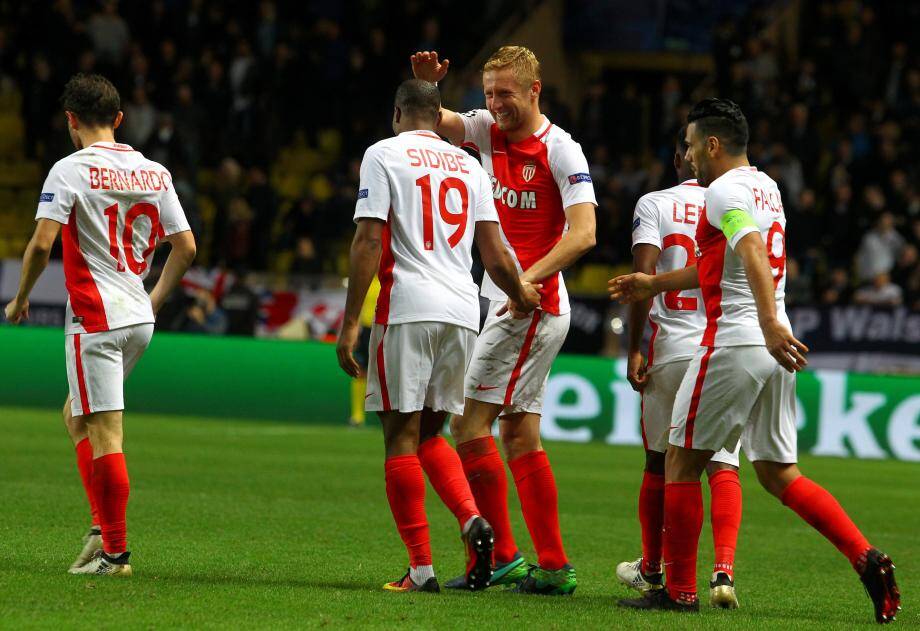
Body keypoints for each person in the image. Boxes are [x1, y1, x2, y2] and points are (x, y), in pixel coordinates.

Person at [610, 98, 900, 623]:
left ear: (713, 144)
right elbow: (720, 265)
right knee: (778, 473)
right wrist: (653, 283)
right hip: (772, 345)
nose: (690, 155)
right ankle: (866, 557)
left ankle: (676, 592)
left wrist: (765, 322)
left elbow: (748, 250)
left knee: (679, 460)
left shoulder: (723, 191)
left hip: (737, 340)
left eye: (694, 145)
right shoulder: (768, 186)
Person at [336, 79, 541, 593]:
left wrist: (349, 323)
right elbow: (494, 251)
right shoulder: (469, 165)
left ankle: (421, 568)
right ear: (437, 113)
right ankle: (472, 518)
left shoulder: (382, 154)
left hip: (407, 305)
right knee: (431, 433)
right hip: (460, 310)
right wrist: (518, 293)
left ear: (398, 112)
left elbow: (367, 239)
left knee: (399, 438)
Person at [411, 46, 596, 595]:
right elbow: (432, 118)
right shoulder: (483, 129)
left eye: (506, 95)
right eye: (489, 94)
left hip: (530, 306)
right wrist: (425, 85)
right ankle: (555, 565)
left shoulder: (562, 150)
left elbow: (584, 233)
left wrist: (524, 282)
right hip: (504, 298)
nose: (495, 106)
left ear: (535, 91)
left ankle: (503, 556)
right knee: (519, 432)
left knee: (468, 425)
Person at [4, 73, 196, 577]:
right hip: (136, 316)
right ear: (118, 119)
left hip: (95, 319)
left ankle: (114, 552)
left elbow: (43, 244)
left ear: (71, 120)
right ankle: (99, 527)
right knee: (76, 415)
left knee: (106, 432)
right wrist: (153, 298)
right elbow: (187, 246)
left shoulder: (69, 170)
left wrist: (20, 299)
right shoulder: (154, 171)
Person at [615, 127, 743, 609]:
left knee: (660, 462)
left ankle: (653, 569)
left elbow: (642, 280)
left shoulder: (655, 203)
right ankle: (722, 572)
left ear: (676, 159)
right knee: (723, 463)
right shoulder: (730, 203)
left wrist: (635, 346)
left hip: (670, 348)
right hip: (720, 346)